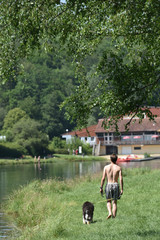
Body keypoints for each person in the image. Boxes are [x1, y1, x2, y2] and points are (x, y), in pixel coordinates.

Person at [100, 153, 123, 219]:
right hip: (115, 185)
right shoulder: (118, 168)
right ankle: (114, 217)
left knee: (108, 201)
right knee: (114, 202)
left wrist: (101, 187)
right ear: (116, 160)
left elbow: (103, 178)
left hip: (108, 185)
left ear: (110, 159)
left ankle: (110, 212)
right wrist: (121, 189)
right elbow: (121, 179)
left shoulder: (106, 167)